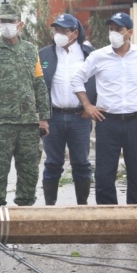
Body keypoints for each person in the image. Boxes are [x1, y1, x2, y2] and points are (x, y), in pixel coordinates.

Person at [71, 13, 137, 205]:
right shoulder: (98, 56)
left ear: (129, 32)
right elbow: (76, 79)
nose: (113, 33)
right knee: (105, 173)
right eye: (111, 29)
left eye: (119, 29)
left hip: (135, 121)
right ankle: (107, 220)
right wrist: (88, 105)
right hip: (107, 121)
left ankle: (136, 218)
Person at [0, 4, 50, 207]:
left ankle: (25, 215)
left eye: (11, 21)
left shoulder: (31, 50)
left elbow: (39, 84)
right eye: (3, 22)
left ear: (20, 24)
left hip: (28, 123)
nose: (7, 25)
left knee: (30, 170)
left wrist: (43, 118)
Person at [39, 13, 96, 205]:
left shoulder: (88, 54)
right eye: (56, 30)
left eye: (63, 31)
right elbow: (38, 86)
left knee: (81, 163)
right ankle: (50, 206)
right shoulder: (45, 54)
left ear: (74, 33)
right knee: (52, 163)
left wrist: (91, 106)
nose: (58, 34)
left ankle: (82, 206)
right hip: (53, 117)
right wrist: (41, 117)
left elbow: (99, 81)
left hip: (79, 117)